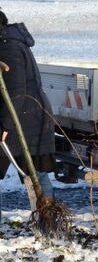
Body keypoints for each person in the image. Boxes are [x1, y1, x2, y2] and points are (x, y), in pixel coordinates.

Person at [0, 11, 55, 197]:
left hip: (24, 121)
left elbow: (15, 91)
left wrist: (5, 125)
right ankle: (48, 221)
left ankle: (49, 221)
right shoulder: (9, 43)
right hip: (24, 118)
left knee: (36, 175)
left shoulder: (8, 48)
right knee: (35, 176)